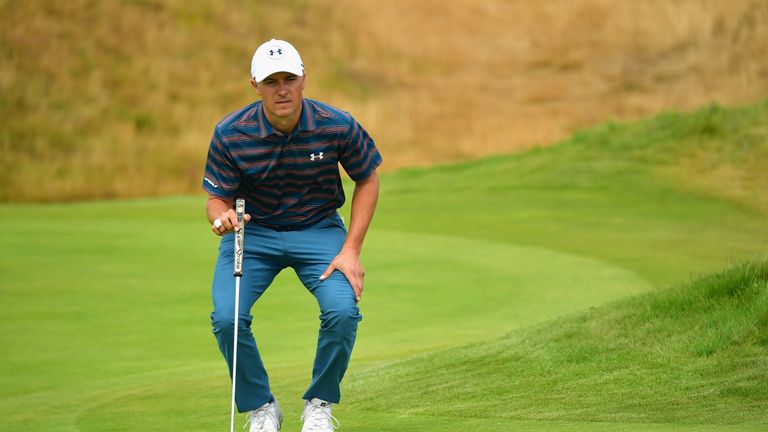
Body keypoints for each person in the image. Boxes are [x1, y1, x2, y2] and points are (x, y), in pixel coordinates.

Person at [202, 39, 382, 432]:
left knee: (341, 310)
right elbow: (216, 198)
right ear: (255, 85)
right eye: (271, 81)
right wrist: (222, 217)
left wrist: (351, 249)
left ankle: (319, 404)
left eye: (289, 78)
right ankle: (261, 407)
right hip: (254, 236)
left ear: (303, 79)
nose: (281, 89)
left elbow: (367, 177)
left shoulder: (336, 124)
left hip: (318, 229)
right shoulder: (232, 133)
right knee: (227, 318)